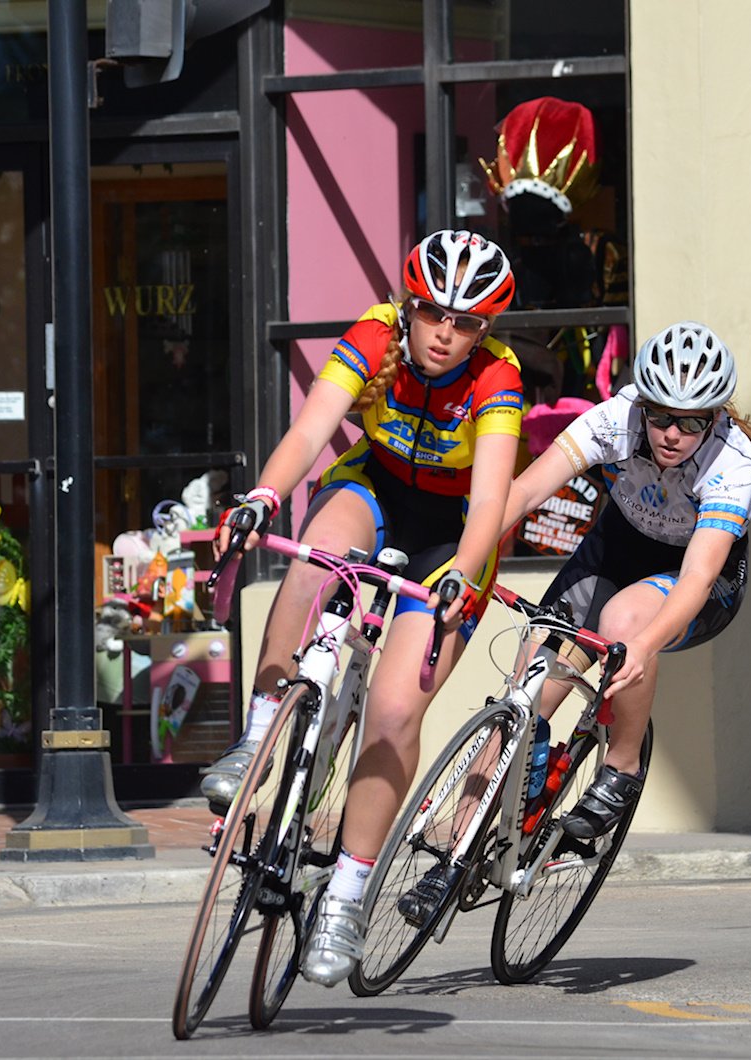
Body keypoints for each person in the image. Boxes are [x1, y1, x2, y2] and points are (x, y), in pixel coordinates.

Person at [205, 229, 524, 987]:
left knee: (390, 714)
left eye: (468, 322)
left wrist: (463, 573)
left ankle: (346, 896)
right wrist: (261, 497)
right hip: (373, 491)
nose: (445, 334)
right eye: (433, 313)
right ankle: (256, 744)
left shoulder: (498, 380)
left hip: (454, 539)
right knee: (314, 566)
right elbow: (311, 432)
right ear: (408, 305)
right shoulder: (374, 334)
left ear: (485, 331)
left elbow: (490, 502)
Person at [499, 321, 751, 836]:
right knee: (520, 705)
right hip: (616, 549)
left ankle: (621, 769)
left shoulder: (732, 460)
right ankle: (455, 859)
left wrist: (640, 648)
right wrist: (468, 557)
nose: (671, 434)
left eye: (690, 424)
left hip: (696, 573)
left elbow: (697, 577)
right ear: (642, 404)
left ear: (716, 419)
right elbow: (524, 492)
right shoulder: (616, 418)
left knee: (623, 625)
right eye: (661, 416)